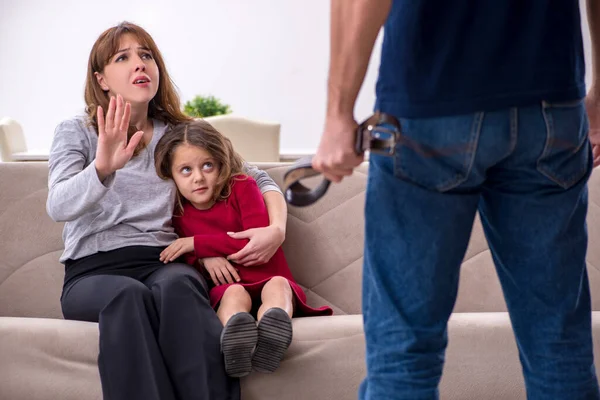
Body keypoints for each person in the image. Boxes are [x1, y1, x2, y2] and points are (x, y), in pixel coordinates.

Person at [312, 1, 600, 399]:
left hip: (429, 101)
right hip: (551, 105)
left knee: (404, 353)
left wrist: (338, 114)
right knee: (560, 346)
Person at [47, 21, 288, 400]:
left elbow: (258, 178)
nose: (139, 64)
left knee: (178, 286)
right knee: (128, 296)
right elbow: (57, 204)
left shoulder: (180, 132)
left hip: (164, 261)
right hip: (92, 271)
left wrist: (276, 229)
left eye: (146, 55)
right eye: (123, 58)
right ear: (102, 79)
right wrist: (103, 168)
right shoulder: (77, 131)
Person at [154, 119, 333, 378]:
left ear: (221, 164)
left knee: (279, 286)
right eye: (185, 170)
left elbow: (254, 239)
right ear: (171, 176)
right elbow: (181, 258)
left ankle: (274, 329)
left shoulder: (242, 186)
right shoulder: (176, 212)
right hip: (229, 284)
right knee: (234, 295)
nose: (198, 177)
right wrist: (203, 257)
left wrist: (197, 244)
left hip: (267, 274)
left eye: (207, 166)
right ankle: (236, 339)